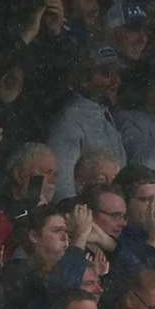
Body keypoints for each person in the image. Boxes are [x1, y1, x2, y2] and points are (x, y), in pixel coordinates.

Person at [45, 47, 127, 197]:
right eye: (106, 73)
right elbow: (62, 185)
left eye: (117, 73)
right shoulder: (70, 117)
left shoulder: (104, 113)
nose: (117, 81)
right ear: (83, 79)